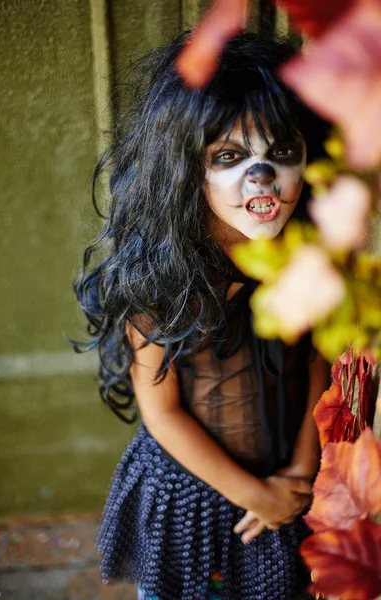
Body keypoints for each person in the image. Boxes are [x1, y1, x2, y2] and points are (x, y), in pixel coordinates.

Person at [74, 30, 331, 600]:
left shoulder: (308, 257)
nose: (261, 179)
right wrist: (255, 495)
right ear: (187, 167)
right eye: (230, 157)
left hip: (292, 473)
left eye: (281, 152)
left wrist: (298, 473)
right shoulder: (163, 280)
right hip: (198, 491)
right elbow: (161, 414)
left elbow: (320, 362)